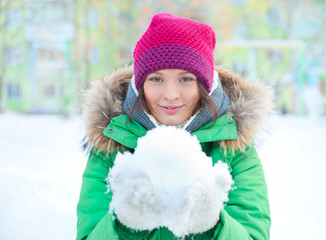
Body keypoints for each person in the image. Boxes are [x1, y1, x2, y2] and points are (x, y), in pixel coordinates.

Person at [77, 13, 273, 240]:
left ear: (205, 86)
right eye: (156, 79)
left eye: (186, 79)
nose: (170, 95)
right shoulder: (111, 146)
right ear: (140, 85)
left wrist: (212, 226)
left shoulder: (235, 150)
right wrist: (124, 225)